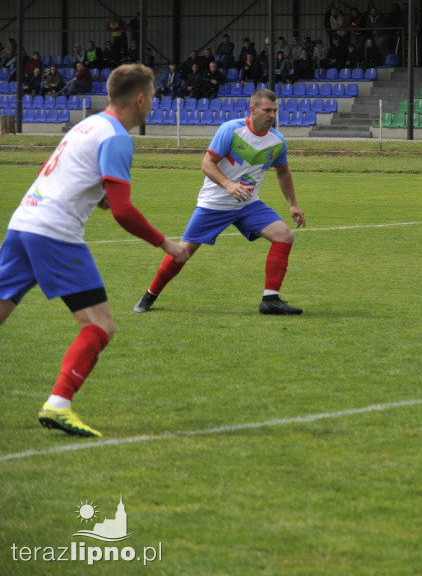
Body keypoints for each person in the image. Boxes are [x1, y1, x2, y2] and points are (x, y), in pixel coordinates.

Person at [0, 63, 189, 437]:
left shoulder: (86, 125)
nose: (152, 104)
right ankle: (59, 404)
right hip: (55, 233)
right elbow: (123, 211)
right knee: (100, 325)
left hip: (23, 223)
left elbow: (56, 170)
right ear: (139, 99)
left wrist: (97, 191)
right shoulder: (117, 137)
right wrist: (167, 244)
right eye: (151, 97)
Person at [133, 88, 306, 316]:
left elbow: (283, 172)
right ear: (253, 110)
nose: (272, 115)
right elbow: (207, 163)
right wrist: (229, 185)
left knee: (284, 236)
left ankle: (270, 300)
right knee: (183, 252)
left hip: (248, 204)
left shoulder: (277, 140)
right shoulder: (231, 130)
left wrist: (293, 204)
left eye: (274, 110)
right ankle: (149, 296)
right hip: (214, 204)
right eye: (267, 110)